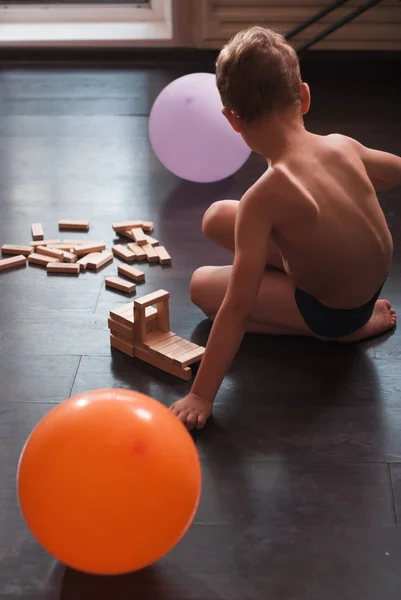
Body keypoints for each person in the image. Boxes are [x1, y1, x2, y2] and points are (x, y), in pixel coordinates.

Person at [170, 26, 401, 431]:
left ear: (232, 120)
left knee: (203, 288)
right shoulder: (342, 145)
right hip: (367, 278)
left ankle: (346, 332)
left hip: (337, 312)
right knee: (218, 216)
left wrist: (201, 394)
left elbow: (237, 307)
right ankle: (344, 311)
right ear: (305, 97)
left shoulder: (266, 197)